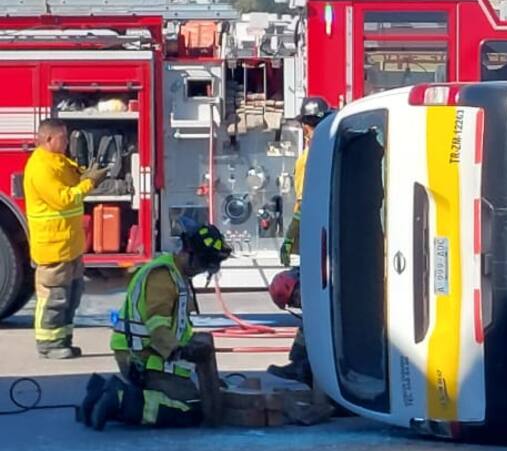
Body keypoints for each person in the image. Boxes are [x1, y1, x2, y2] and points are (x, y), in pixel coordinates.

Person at [82, 222, 232, 430]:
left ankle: (99, 394)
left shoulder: (177, 274)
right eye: (202, 264)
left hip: (151, 356)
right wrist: (183, 350)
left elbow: (176, 325)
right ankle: (120, 399)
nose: (201, 270)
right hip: (140, 358)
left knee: (198, 398)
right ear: (188, 252)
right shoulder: (163, 276)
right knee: (189, 409)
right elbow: (158, 327)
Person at [23, 118, 107, 359]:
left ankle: (63, 340)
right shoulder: (40, 167)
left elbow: (72, 183)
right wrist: (89, 183)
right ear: (49, 139)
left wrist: (85, 175)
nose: (67, 141)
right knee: (53, 297)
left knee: (71, 295)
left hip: (69, 245)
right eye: (62, 137)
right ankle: (48, 345)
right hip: (52, 247)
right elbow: (64, 199)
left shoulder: (58, 162)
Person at [267, 96, 331, 384]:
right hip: (332, 239)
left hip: (315, 240)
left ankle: (303, 365)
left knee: (311, 302)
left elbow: (304, 205)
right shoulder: (334, 149)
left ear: (305, 127)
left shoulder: (310, 157)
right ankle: (303, 363)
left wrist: (290, 240)